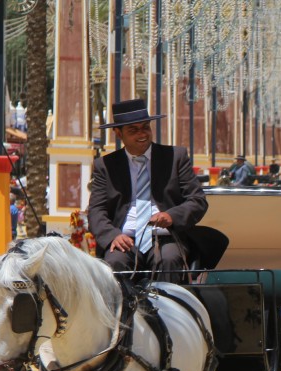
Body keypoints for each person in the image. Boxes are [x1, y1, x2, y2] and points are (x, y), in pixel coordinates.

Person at [88, 98, 208, 278]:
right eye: (133, 130)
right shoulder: (105, 165)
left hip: (165, 238)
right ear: (118, 133)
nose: (142, 134)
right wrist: (113, 236)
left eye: (145, 127)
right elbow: (96, 210)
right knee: (115, 262)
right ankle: (119, 307)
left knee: (168, 259)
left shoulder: (175, 157)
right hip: (124, 238)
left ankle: (168, 305)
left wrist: (171, 216)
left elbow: (197, 201)